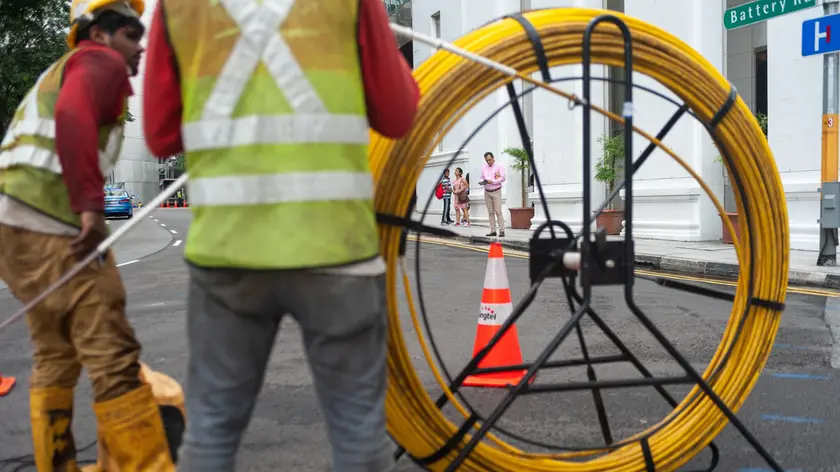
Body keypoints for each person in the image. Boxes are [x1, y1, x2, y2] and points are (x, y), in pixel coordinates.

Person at [142, 0, 420, 470]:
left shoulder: (178, 6)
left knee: (212, 431)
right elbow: (398, 114)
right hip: (337, 249)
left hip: (228, 255)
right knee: (358, 437)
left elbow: (160, 133)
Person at [0, 0, 177, 470]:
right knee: (113, 357)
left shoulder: (58, 72)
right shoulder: (99, 61)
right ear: (100, 34)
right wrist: (89, 208)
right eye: (131, 35)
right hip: (55, 227)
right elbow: (75, 117)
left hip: (14, 229)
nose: (140, 47)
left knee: (55, 352)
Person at [480, 151, 507, 237]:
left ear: (493, 158)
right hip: (487, 191)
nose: (488, 162)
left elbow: (503, 178)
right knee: (490, 212)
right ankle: (493, 230)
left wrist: (493, 181)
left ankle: (502, 230)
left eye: (489, 160)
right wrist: (482, 181)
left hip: (496, 191)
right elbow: (481, 177)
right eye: (486, 160)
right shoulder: (484, 167)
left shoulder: (499, 166)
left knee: (498, 211)